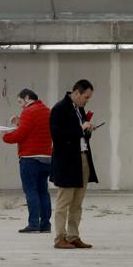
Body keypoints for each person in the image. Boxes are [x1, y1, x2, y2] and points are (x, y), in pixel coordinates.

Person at [49, 79, 98, 249]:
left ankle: (73, 235)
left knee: (77, 203)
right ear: (76, 93)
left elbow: (81, 134)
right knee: (64, 202)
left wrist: (88, 130)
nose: (87, 100)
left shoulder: (80, 109)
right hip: (66, 162)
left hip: (82, 158)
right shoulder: (59, 108)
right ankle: (60, 238)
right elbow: (57, 134)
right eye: (86, 97)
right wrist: (80, 129)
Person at [1, 88, 53, 233]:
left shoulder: (29, 111)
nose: (21, 106)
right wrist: (19, 122)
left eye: (20, 102)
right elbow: (34, 129)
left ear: (27, 98)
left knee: (31, 191)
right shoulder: (46, 111)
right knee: (43, 191)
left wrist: (5, 136)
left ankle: (33, 224)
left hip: (30, 159)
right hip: (46, 157)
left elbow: (21, 135)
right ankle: (45, 225)